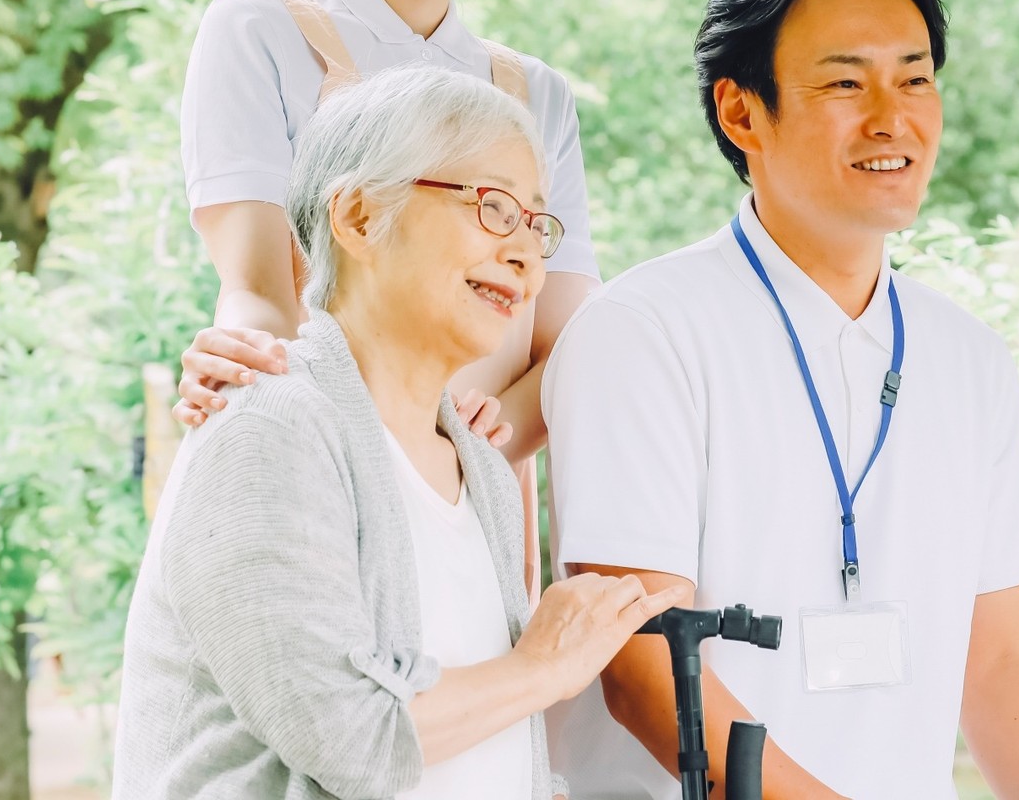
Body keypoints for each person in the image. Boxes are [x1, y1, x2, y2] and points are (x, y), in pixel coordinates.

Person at [543, 0, 1019, 799]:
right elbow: (642, 666)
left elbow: (1000, 660)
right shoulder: (641, 332)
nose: (892, 117)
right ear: (742, 112)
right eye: (846, 83)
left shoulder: (969, 358)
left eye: (915, 78)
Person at [113, 65, 680, 800]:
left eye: (536, 224)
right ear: (358, 218)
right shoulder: (267, 428)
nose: (526, 254)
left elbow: (490, 736)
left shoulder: (480, 466)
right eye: (492, 206)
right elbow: (349, 739)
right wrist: (544, 666)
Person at [175, 0, 599, 598]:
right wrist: (246, 383)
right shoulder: (259, 33)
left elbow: (565, 347)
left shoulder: (537, 96)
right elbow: (260, 292)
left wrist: (472, 442)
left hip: (474, 506)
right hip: (315, 489)